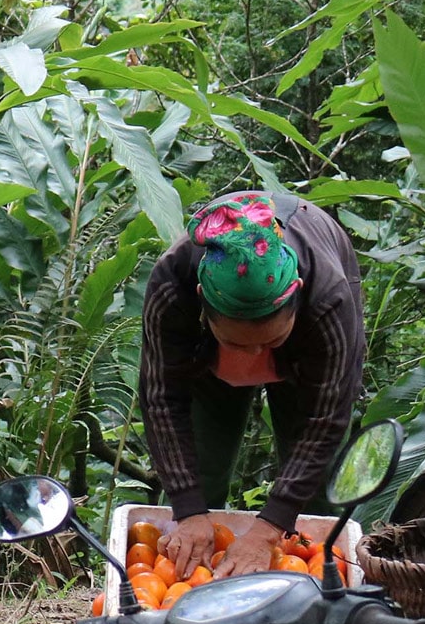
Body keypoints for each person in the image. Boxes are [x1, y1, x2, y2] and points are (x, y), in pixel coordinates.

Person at [140, 190, 365, 579]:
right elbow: (161, 398)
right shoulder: (172, 284)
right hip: (206, 363)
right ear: (201, 301)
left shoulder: (329, 300)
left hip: (304, 365)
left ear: (296, 297)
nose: (252, 359)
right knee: (198, 477)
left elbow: (327, 419)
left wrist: (268, 530)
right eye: (237, 343)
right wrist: (190, 510)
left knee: (313, 506)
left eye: (271, 341)